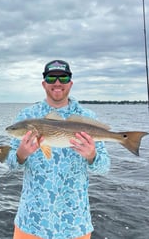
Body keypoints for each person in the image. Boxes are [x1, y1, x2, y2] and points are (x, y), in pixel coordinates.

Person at [7, 60, 111, 239]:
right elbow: (10, 164)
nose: (57, 83)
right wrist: (21, 155)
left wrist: (92, 156)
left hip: (75, 224)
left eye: (63, 78)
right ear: (44, 83)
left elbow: (105, 167)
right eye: (51, 77)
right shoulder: (26, 116)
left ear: (70, 83)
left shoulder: (87, 117)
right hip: (31, 221)